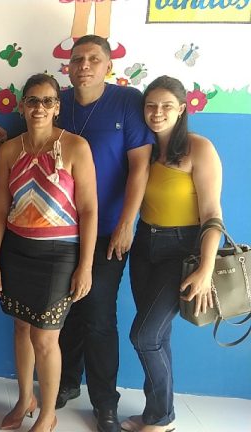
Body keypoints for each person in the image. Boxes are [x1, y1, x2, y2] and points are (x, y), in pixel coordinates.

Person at [0, 74, 98, 432]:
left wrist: (86, 266)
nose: (40, 107)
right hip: (16, 250)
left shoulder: (76, 147)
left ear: (57, 107)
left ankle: (48, 415)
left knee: (46, 338)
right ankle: (25, 400)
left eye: (47, 101)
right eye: (33, 100)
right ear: (22, 106)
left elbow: (89, 210)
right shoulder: (9, 150)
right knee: (21, 328)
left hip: (59, 255)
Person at [56, 35, 153, 432]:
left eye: (93, 59)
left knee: (97, 314)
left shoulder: (127, 102)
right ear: (68, 66)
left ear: (108, 66)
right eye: (77, 59)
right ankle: (66, 382)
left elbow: (140, 167)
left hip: (109, 230)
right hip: (61, 230)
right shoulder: (58, 102)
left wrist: (127, 223)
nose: (84, 65)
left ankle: (104, 402)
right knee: (65, 310)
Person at [122, 75, 222, 432]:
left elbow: (212, 215)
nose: (157, 112)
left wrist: (206, 268)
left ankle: (162, 418)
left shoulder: (199, 148)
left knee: (144, 336)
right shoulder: (144, 151)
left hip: (181, 250)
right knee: (158, 337)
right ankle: (157, 413)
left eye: (166, 106)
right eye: (151, 105)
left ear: (181, 109)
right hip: (144, 245)